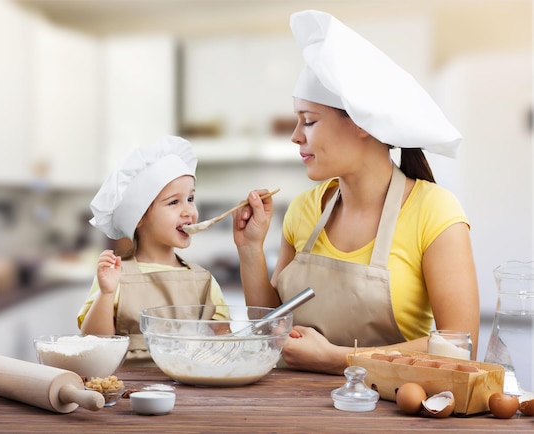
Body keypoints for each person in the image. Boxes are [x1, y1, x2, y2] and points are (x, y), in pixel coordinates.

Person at [232, 10, 480, 375]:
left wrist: (339, 359)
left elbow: (459, 346)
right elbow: (273, 325)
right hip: (292, 409)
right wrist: (250, 250)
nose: (296, 136)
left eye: (310, 121)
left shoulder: (434, 211)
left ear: (362, 123)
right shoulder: (303, 209)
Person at [77, 135, 229, 366]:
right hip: (130, 393)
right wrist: (106, 294)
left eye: (190, 198)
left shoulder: (203, 280)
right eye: (174, 202)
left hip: (194, 393)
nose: (189, 211)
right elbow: (94, 342)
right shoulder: (114, 276)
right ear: (139, 218)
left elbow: (224, 345)